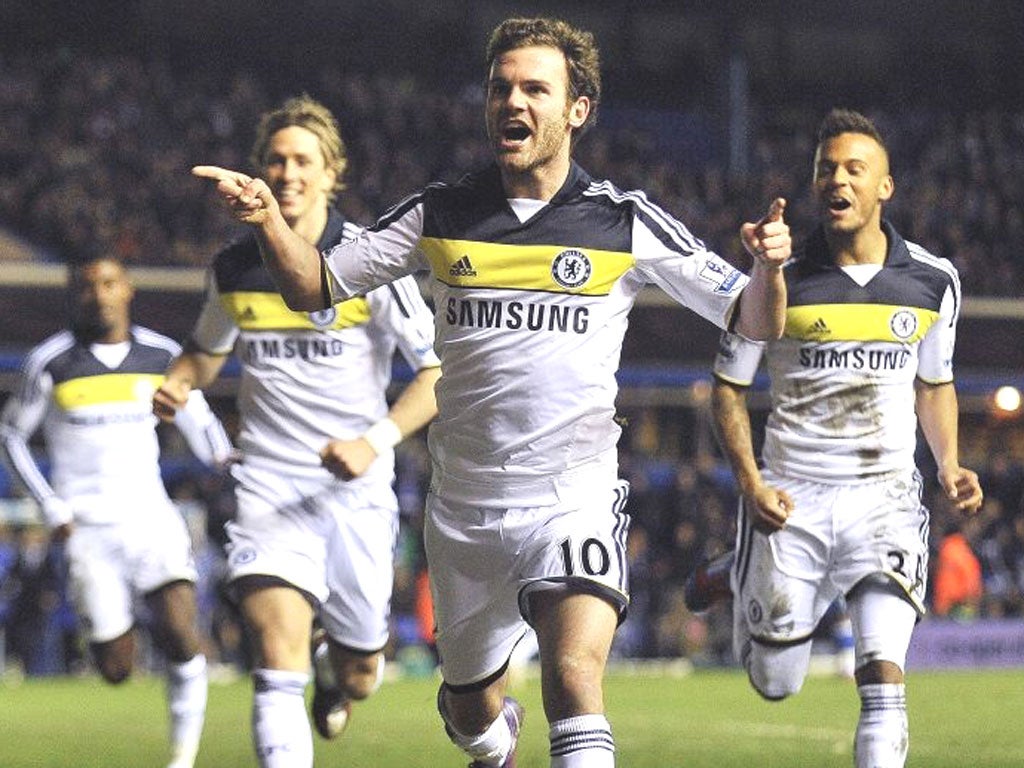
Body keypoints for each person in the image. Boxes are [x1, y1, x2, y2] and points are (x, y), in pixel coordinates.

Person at [191, 17, 790, 768]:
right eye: (501, 87)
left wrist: (770, 268)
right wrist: (270, 221)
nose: (515, 100)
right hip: (465, 511)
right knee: (471, 711)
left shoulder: (622, 222)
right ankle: (489, 738)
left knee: (574, 677)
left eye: (536, 88)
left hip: (571, 494)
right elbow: (315, 285)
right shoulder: (439, 213)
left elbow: (754, 318)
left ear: (579, 109)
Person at [688, 108, 984, 768]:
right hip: (791, 499)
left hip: (885, 501)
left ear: (886, 187)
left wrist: (950, 464)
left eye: (855, 168)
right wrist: (751, 483)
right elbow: (728, 387)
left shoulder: (933, 282)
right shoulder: (776, 277)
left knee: (881, 675)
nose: (837, 180)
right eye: (826, 169)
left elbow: (934, 384)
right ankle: (739, 574)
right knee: (776, 683)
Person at [152, 94, 441, 768]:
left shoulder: (372, 262)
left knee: (363, 672)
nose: (287, 172)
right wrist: (179, 380)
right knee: (272, 651)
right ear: (260, 172)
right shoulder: (233, 267)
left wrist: (374, 441)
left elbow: (436, 375)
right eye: (275, 160)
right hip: (270, 483)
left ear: (331, 172)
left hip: (357, 489)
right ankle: (301, 658)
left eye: (302, 160)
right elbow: (204, 349)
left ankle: (335, 664)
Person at [0, 254, 232, 768]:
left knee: (179, 628)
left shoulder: (161, 354)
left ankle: (182, 759)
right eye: (87, 286)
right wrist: (51, 507)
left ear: (127, 290)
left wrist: (224, 459)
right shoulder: (51, 362)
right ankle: (111, 632)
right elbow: (11, 436)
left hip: (151, 515)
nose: (98, 294)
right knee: (115, 666)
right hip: (86, 531)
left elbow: (199, 418)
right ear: (73, 295)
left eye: (108, 283)